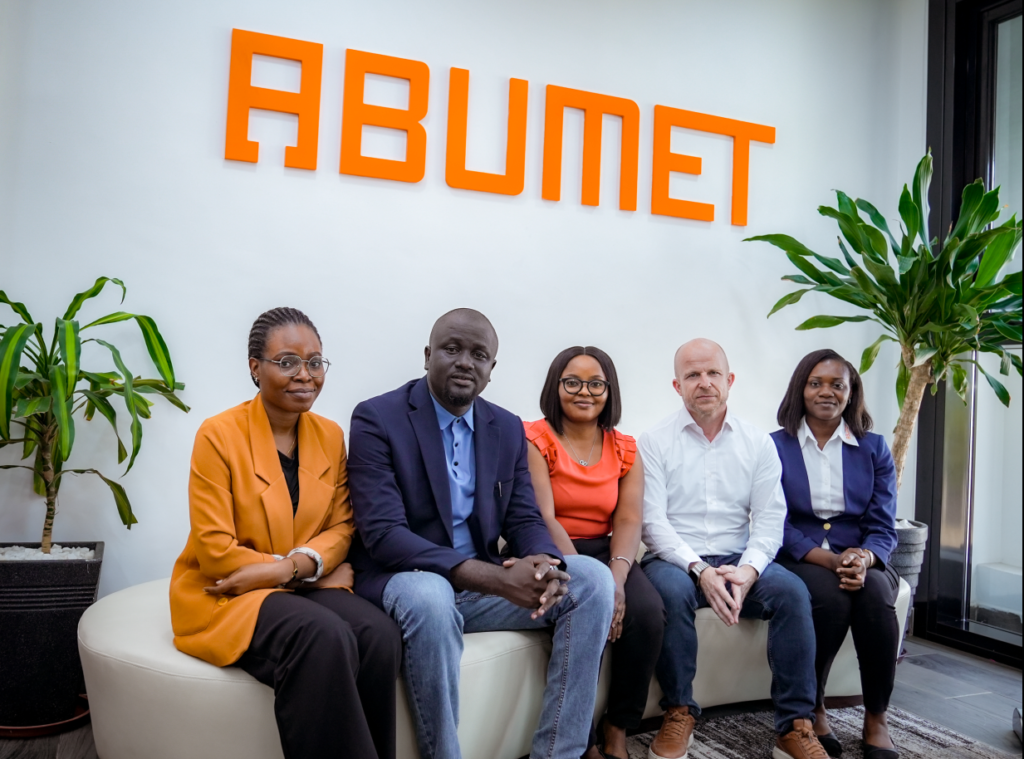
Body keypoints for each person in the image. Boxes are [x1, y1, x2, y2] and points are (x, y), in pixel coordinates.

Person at [346, 308, 615, 759]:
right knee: (431, 595)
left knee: (592, 580)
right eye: (452, 349)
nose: (464, 362)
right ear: (428, 355)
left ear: (492, 368)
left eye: (478, 354)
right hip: (408, 580)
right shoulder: (378, 418)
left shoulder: (505, 427)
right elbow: (384, 534)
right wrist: (494, 579)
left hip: (482, 589)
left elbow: (524, 518)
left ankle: (559, 753)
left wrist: (544, 563)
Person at [169, 307, 402, 759]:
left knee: (378, 634)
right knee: (322, 635)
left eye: (315, 362)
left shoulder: (330, 436)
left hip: (291, 580)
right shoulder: (218, 435)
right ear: (255, 368)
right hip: (228, 593)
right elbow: (215, 552)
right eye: (288, 361)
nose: (305, 375)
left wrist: (289, 571)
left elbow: (342, 526)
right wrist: (301, 574)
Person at [640, 338, 827, 759]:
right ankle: (679, 711)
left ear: (730, 380)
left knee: (793, 592)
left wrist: (748, 571)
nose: (704, 382)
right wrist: (699, 570)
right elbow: (653, 523)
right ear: (677, 386)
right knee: (669, 592)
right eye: (692, 375)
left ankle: (794, 726)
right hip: (674, 559)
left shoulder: (757, 443)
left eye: (713, 373)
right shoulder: (653, 441)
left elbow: (769, 518)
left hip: (738, 559)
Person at [524, 346, 665, 759]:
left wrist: (616, 579)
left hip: (608, 550)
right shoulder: (535, 438)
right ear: (555, 386)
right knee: (584, 611)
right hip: (551, 548)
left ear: (609, 390)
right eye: (572, 382)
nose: (584, 392)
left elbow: (629, 519)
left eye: (596, 384)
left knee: (648, 614)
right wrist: (595, 581)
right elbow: (545, 517)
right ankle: (582, 740)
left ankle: (618, 725)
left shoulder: (625, 448)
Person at [771, 349, 900, 759]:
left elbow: (884, 524)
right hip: (802, 557)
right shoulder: (774, 446)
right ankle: (815, 707)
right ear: (801, 389)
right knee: (829, 597)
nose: (826, 392)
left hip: (863, 556)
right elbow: (774, 520)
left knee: (875, 596)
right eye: (816, 383)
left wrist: (864, 558)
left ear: (851, 393)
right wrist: (827, 559)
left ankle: (876, 717)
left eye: (837, 385)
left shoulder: (874, 448)